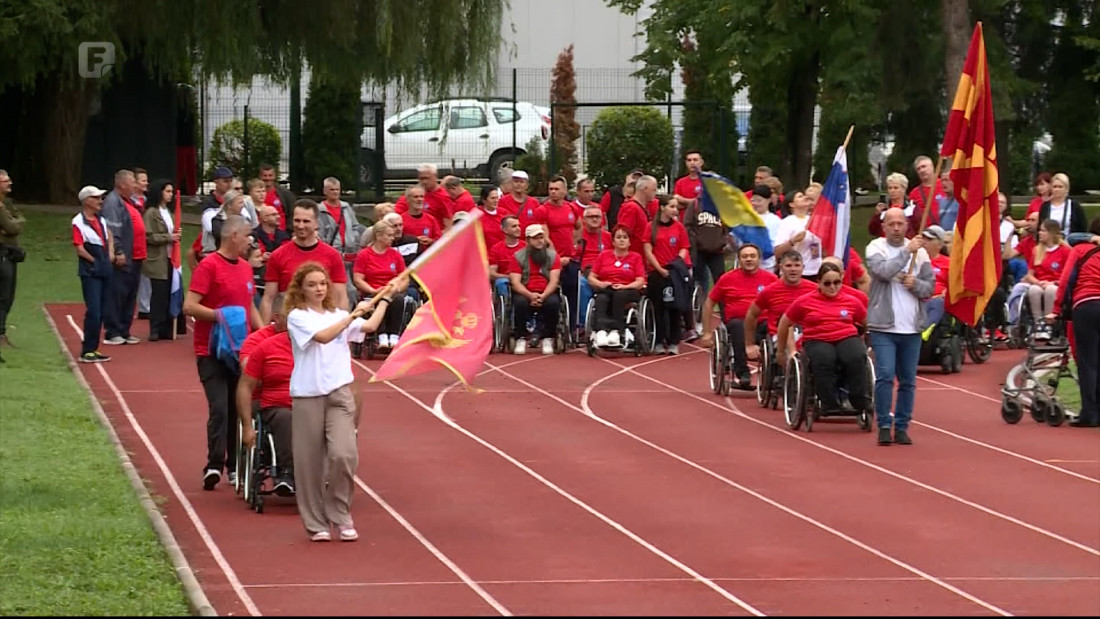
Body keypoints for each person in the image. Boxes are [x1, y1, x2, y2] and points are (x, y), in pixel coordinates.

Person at [285, 264, 392, 542]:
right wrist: (352, 316)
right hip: (308, 394)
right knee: (310, 464)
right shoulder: (298, 317)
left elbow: (368, 326)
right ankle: (316, 523)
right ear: (301, 288)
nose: (319, 289)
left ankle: (340, 514)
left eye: (323, 283)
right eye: (312, 284)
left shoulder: (339, 314)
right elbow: (323, 337)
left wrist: (385, 299)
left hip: (339, 393)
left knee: (344, 454)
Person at [184, 216, 265, 490]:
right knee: (219, 407)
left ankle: (233, 466)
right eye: (247, 236)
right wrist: (221, 316)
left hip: (240, 351)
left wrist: (264, 333)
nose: (250, 242)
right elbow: (190, 306)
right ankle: (214, 464)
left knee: (237, 407)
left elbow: (249, 305)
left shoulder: (245, 268)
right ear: (234, 236)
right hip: (210, 349)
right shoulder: (209, 266)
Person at [865, 208, 935, 446]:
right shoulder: (876, 248)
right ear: (884, 227)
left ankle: (902, 426)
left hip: (911, 327)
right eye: (891, 224)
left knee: (908, 381)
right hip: (883, 325)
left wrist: (916, 284)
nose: (896, 228)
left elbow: (929, 287)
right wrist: (907, 252)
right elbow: (883, 272)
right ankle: (884, 424)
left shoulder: (921, 253)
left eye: (900, 223)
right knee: (885, 375)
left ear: (907, 225)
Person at [775, 261, 871, 415]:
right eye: (827, 283)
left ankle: (858, 399)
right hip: (817, 338)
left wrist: (871, 341)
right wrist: (780, 351)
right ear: (819, 282)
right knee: (825, 359)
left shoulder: (852, 301)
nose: (833, 287)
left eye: (837, 282)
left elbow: (868, 323)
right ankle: (829, 402)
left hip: (846, 336)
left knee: (856, 356)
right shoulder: (804, 301)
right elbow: (784, 323)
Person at [237, 293, 296, 496]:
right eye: (292, 316)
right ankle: (288, 471)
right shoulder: (259, 342)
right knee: (286, 416)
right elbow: (248, 376)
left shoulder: (308, 339)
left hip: (302, 400)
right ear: (277, 318)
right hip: (265, 399)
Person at [698, 244, 778, 387]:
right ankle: (742, 372)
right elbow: (709, 303)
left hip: (762, 323)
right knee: (738, 326)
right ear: (739, 260)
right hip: (737, 324)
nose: (749, 259)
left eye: (752, 256)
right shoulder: (727, 279)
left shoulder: (771, 279)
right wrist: (707, 332)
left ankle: (776, 374)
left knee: (776, 329)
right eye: (745, 256)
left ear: (759, 259)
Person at [261, 200, 349, 322]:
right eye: (297, 221)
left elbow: (340, 297)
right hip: (289, 323)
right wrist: (264, 330)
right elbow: (268, 299)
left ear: (316, 223)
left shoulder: (333, 255)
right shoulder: (278, 255)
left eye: (306, 221)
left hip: (323, 323)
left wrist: (343, 327)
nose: (300, 226)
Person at [1050, 215, 1100, 427]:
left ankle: (1090, 413)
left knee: (1087, 362)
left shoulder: (1080, 249)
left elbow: (1066, 280)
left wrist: (1057, 309)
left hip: (1086, 304)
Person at [743, 250, 817, 363]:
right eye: (788, 266)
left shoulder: (815, 289)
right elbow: (752, 314)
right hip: (780, 336)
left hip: (808, 333)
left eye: (797, 266)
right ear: (781, 267)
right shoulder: (769, 291)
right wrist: (749, 344)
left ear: (803, 268)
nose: (793, 269)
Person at [643, 198, 692, 354]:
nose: (675, 210)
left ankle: (674, 341)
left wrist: (677, 262)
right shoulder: (651, 227)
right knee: (658, 308)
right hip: (657, 272)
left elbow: (684, 247)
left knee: (674, 307)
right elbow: (648, 251)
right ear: (662, 208)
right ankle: (658, 340)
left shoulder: (679, 227)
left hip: (674, 271)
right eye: (672, 207)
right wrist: (659, 268)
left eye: (676, 207)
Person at [352, 220, 411, 349]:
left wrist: (397, 288)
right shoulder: (364, 255)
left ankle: (394, 335)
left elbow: (405, 278)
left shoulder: (395, 255)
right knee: (379, 299)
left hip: (392, 290)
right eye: (389, 235)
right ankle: (382, 335)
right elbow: (358, 279)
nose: (393, 238)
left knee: (398, 299)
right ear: (379, 236)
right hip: (372, 291)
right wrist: (373, 290)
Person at [101, 169, 144, 346]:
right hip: (123, 256)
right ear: (122, 184)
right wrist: (118, 251)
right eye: (132, 182)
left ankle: (125, 329)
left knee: (130, 294)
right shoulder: (112, 202)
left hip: (135, 256)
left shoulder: (129, 201)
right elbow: (112, 229)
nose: (135, 185)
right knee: (117, 293)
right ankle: (113, 331)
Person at [73, 186, 114, 363]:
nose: (100, 201)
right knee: (94, 311)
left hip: (105, 268)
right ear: (87, 201)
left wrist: (111, 252)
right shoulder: (78, 222)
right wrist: (95, 261)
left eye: (101, 198)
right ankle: (87, 350)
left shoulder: (101, 219)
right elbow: (79, 248)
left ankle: (94, 348)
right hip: (90, 271)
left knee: (103, 310)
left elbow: (109, 235)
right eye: (96, 198)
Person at [587, 225, 646, 348]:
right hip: (607, 288)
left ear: (630, 242)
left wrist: (625, 286)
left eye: (625, 237)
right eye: (618, 237)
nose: (622, 240)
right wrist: (601, 284)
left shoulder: (636, 257)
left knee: (619, 296)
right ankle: (601, 331)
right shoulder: (603, 256)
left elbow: (640, 281)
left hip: (628, 290)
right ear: (613, 241)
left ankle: (616, 331)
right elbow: (591, 277)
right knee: (601, 298)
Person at [507, 225, 562, 355]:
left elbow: (554, 280)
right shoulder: (517, 257)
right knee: (520, 303)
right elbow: (515, 282)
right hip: (525, 291)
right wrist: (530, 295)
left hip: (546, 291)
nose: (539, 241)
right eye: (535, 238)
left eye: (541, 237)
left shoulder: (553, 256)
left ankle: (548, 337)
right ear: (528, 240)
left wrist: (543, 296)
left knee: (553, 303)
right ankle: (520, 337)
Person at [141, 180, 181, 341]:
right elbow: (148, 236)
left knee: (168, 293)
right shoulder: (151, 212)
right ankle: (155, 328)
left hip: (171, 258)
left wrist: (175, 236)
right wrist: (168, 237)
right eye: (167, 191)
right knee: (159, 294)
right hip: (158, 259)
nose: (170, 195)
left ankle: (167, 327)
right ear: (160, 192)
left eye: (171, 192)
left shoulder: (169, 213)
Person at [1021, 219, 1070, 340]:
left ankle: (1049, 324)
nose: (1039, 233)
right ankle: (1039, 324)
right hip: (1039, 283)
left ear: (1051, 233)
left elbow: (1068, 275)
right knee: (1034, 290)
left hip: (1056, 284)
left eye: (1043, 231)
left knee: (1051, 290)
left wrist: (1053, 282)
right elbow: (1030, 275)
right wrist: (1038, 282)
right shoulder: (1037, 250)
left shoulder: (1065, 251)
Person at [0, 169, 24, 356]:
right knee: (3, 295)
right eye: (5, 181)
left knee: (9, 295)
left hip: (10, 253)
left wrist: (14, 223)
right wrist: (12, 224)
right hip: (2, 253)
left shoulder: (7, 203)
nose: (10, 183)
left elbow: (19, 222)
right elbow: (11, 226)